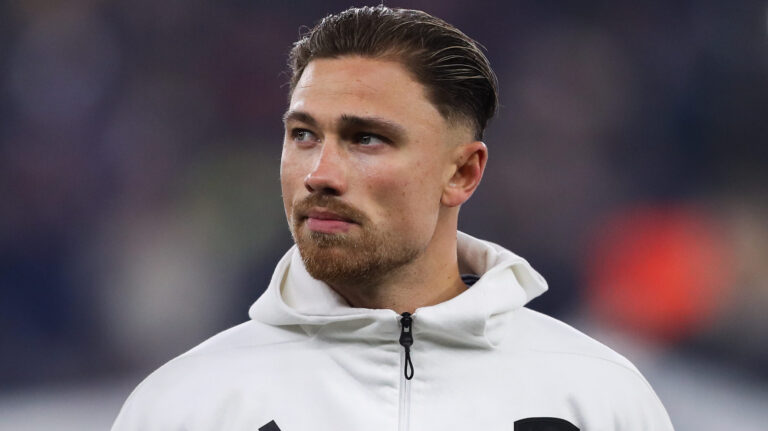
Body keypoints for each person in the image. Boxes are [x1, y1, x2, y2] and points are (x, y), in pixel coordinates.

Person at [112, 6, 674, 430]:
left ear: (462, 173)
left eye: (367, 139)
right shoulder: (184, 407)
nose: (320, 174)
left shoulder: (597, 399)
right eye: (303, 135)